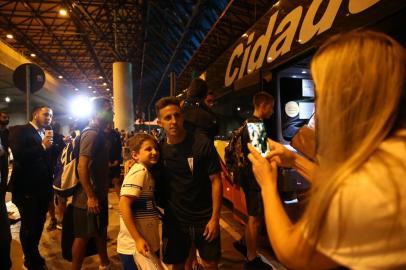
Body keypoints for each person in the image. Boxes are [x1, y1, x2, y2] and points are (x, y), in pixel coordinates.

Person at [247, 31, 406, 269]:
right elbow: (344, 186)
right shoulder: (392, 153)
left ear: (348, 98)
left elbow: (295, 254)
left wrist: (268, 186)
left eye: (322, 94)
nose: (319, 105)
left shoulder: (374, 182)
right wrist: (295, 161)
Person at [155, 97, 223, 270]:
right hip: (175, 221)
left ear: (183, 117)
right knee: (177, 265)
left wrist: (215, 218)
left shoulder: (202, 144)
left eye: (177, 115)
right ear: (160, 122)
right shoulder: (159, 151)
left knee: (210, 264)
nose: (174, 121)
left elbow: (216, 181)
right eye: (168, 118)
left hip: (205, 219)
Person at [9, 105, 54, 270]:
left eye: (50, 115)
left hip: (43, 188)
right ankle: (28, 258)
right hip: (26, 188)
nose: (48, 118)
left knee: (39, 222)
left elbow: (45, 160)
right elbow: (20, 155)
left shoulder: (45, 133)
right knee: (28, 225)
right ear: (35, 114)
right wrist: (42, 146)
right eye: (45, 114)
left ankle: (33, 251)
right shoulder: (20, 130)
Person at [71, 97, 113, 270]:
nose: (111, 113)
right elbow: (82, 167)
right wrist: (90, 196)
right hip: (87, 198)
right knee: (83, 236)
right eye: (108, 110)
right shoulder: (91, 134)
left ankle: (105, 263)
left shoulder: (99, 133)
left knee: (100, 231)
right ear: (96, 113)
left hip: (98, 194)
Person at [236, 91, 274, 269]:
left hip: (246, 177)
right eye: (271, 107)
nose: (272, 111)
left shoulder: (246, 123)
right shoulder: (257, 125)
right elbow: (263, 155)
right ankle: (251, 259)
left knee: (252, 217)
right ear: (264, 105)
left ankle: (245, 244)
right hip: (254, 179)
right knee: (255, 219)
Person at [117, 133, 161, 269]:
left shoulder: (144, 171)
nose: (154, 152)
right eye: (148, 149)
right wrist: (137, 238)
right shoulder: (140, 171)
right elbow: (124, 204)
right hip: (135, 247)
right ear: (135, 155)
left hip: (142, 244)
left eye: (155, 149)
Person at [47, 122, 66, 231]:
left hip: (58, 171)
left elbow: (64, 154)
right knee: (52, 197)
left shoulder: (60, 138)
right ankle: (54, 219)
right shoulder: (42, 138)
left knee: (60, 197)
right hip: (47, 172)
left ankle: (60, 219)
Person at [104, 122, 123, 199]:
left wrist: (117, 160)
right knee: (104, 185)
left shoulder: (115, 134)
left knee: (117, 182)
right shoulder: (100, 134)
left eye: (111, 123)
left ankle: (121, 202)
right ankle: (104, 203)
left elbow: (119, 148)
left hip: (115, 163)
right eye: (108, 123)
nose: (110, 125)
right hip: (104, 164)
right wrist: (105, 161)